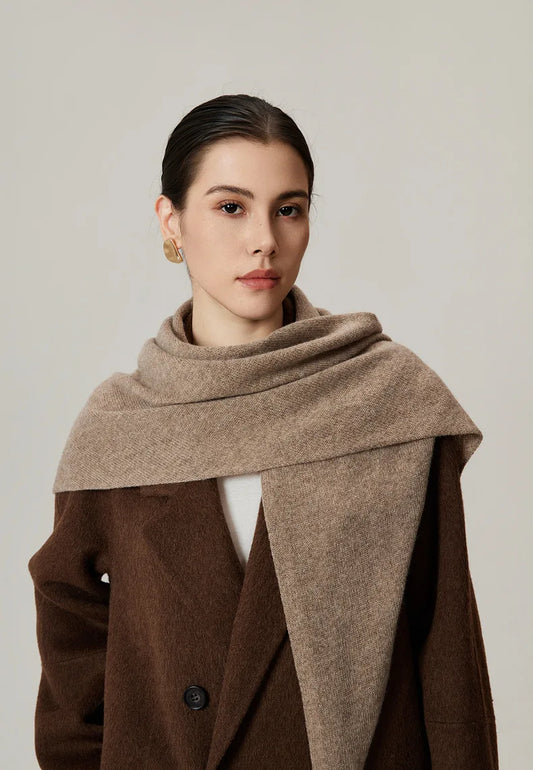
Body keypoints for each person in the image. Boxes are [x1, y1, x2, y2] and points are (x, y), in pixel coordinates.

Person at [27, 94, 499, 769]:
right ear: (171, 221)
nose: (264, 240)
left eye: (288, 209)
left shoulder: (387, 399)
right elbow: (72, 642)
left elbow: (446, 646)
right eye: (230, 207)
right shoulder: (120, 428)